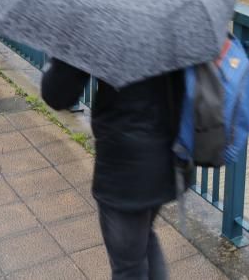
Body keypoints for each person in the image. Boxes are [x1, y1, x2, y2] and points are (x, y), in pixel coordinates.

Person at [41, 59, 183, 280]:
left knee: (128, 267)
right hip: (170, 155)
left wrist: (59, 55)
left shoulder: (105, 25)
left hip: (124, 168)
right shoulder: (177, 24)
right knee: (142, 240)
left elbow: (58, 93)